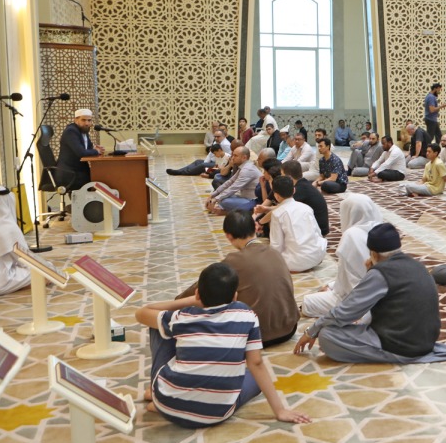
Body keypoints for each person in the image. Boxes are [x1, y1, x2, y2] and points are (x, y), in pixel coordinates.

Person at [133, 262, 310, 428]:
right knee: (255, 379)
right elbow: (256, 363)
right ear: (235, 296)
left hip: (168, 405)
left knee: (158, 324)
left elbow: (142, 313)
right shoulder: (246, 315)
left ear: (197, 294)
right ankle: (168, 396)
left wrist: (189, 301)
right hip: (217, 414)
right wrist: (280, 411)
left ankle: (158, 396)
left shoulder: (182, 317)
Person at [295, 223, 446, 363]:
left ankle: (390, 356)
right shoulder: (417, 265)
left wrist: (312, 330)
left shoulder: (380, 273)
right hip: (425, 340)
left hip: (401, 344)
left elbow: (346, 311)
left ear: (373, 253)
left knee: (327, 336)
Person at [175, 211, 299, 347]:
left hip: (256, 335)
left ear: (229, 236)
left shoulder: (233, 260)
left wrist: (178, 301)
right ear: (255, 228)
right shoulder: (275, 253)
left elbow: (203, 286)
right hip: (289, 328)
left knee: (212, 302)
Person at [301, 195, 382, 318]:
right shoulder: (381, 229)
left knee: (308, 302)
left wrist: (334, 290)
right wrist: (332, 285)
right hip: (383, 295)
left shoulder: (351, 235)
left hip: (360, 301)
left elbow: (351, 284)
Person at [259, 176, 326, 272]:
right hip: (318, 255)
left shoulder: (277, 213)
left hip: (296, 262)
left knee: (263, 258)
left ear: (276, 195)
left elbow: (276, 245)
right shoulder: (306, 207)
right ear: (294, 190)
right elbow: (317, 233)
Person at [55, 108, 104, 191]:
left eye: (89, 120)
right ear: (76, 120)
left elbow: (86, 149)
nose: (87, 123)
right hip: (70, 173)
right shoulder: (71, 131)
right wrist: (96, 151)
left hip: (79, 171)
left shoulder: (83, 131)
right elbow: (81, 152)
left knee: (100, 179)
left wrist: (94, 148)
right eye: (83, 120)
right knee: (99, 181)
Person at [280, 160, 330, 236]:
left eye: (282, 175)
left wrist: (261, 221)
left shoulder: (300, 189)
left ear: (289, 177)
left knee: (281, 217)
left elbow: (283, 208)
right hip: (317, 226)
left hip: (318, 230)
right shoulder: (303, 183)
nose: (281, 177)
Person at [205, 146, 261, 214]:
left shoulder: (247, 169)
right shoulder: (243, 167)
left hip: (252, 200)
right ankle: (224, 209)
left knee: (224, 201)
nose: (232, 158)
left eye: (235, 156)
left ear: (244, 157)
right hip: (244, 197)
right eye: (232, 155)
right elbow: (229, 182)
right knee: (222, 197)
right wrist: (212, 195)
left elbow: (233, 187)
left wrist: (215, 199)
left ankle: (226, 211)